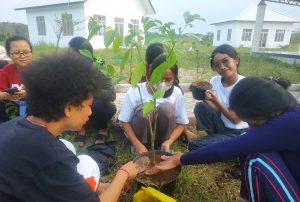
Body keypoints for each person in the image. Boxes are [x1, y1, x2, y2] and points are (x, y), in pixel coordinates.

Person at [0, 53, 138, 202]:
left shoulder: (16, 125)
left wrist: (96, 188)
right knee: (87, 164)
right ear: (69, 109)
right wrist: (123, 173)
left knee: (68, 146)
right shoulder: (54, 157)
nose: (91, 112)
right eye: (89, 105)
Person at [149, 77, 300, 201]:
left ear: (262, 110)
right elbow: (242, 145)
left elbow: (228, 148)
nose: (249, 125)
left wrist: (180, 159)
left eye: (250, 122)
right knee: (249, 147)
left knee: (256, 157)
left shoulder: (292, 121)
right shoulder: (288, 115)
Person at [118, 54, 189, 154]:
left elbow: (181, 123)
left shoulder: (176, 93)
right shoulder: (136, 90)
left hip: (164, 139)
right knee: (147, 109)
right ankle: (141, 148)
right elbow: (124, 121)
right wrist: (136, 143)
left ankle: (163, 147)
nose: (162, 83)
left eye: (168, 80)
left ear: (174, 79)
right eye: (158, 78)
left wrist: (169, 142)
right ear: (150, 75)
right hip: (140, 140)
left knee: (167, 109)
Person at [188, 44, 248, 150]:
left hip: (239, 132)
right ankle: (215, 139)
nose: (222, 67)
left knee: (195, 145)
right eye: (217, 65)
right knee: (200, 106)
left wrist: (216, 100)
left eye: (225, 61)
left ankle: (226, 145)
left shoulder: (245, 85)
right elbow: (217, 111)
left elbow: (235, 120)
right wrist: (205, 98)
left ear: (236, 60)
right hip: (222, 127)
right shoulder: (214, 81)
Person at [68, 36, 117, 146]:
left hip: (99, 106)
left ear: (82, 54)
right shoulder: (71, 67)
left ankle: (102, 129)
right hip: (82, 105)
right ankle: (81, 129)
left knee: (95, 103)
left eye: (71, 54)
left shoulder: (99, 63)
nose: (68, 57)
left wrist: (89, 90)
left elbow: (111, 94)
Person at [0, 36, 33, 122]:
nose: (22, 56)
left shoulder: (42, 69)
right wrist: (6, 95)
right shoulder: (6, 71)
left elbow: (50, 92)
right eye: (16, 53)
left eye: (26, 52)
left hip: (37, 112)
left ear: (31, 52)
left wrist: (27, 93)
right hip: (13, 112)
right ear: (8, 54)